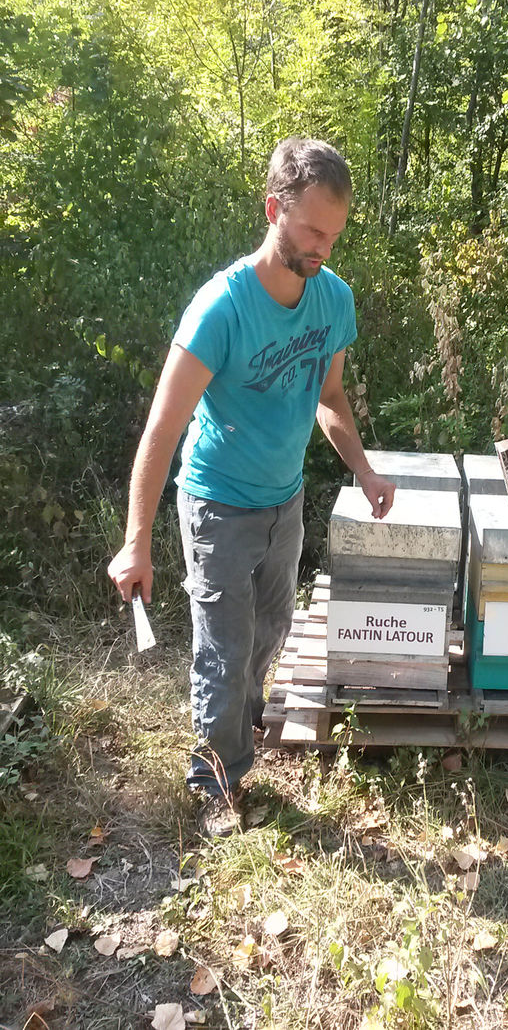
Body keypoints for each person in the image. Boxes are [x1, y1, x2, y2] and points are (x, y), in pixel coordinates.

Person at [108, 137, 395, 836]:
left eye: (335, 233)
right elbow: (162, 429)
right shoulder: (222, 308)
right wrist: (134, 543)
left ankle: (239, 736)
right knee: (225, 649)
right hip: (216, 505)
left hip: (284, 500)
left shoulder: (333, 300)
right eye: (311, 231)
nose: (324, 247)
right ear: (275, 209)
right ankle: (217, 781)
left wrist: (362, 468)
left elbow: (330, 396)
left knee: (270, 633)